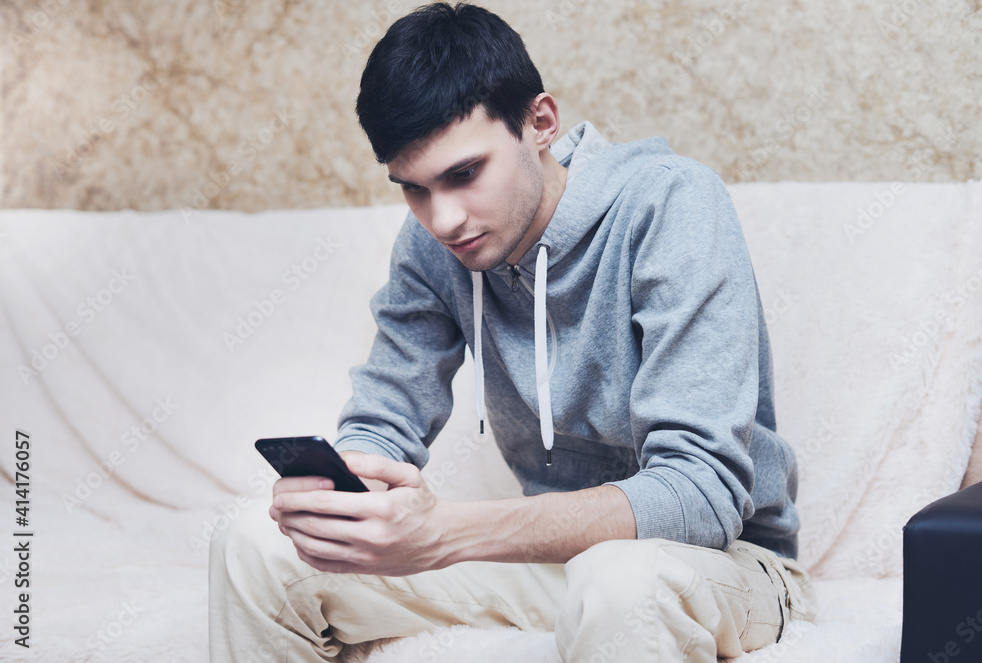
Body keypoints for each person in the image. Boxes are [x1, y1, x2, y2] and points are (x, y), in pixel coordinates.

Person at [208, 3, 817, 661]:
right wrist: (347, 497)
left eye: (464, 174)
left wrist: (449, 531)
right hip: (553, 564)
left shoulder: (671, 204)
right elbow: (385, 416)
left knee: (621, 580)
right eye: (413, 188)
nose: (443, 218)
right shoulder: (433, 245)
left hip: (719, 564)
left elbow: (701, 495)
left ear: (540, 123)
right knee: (254, 545)